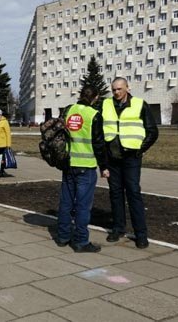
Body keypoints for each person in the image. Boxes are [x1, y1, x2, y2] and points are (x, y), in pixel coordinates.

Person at [103, 77, 159, 249]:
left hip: (131, 158)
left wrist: (140, 149)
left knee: (134, 193)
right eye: (113, 90)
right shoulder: (105, 105)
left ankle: (141, 234)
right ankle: (118, 228)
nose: (116, 92)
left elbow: (152, 131)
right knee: (115, 194)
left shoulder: (140, 104)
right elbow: (99, 131)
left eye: (119, 89)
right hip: (113, 158)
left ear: (127, 88)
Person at [56, 86, 109, 253]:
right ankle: (81, 241)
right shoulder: (94, 115)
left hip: (68, 163)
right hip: (86, 166)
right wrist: (104, 166)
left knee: (66, 202)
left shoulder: (68, 110)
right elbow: (99, 144)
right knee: (83, 205)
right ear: (96, 97)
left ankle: (63, 237)